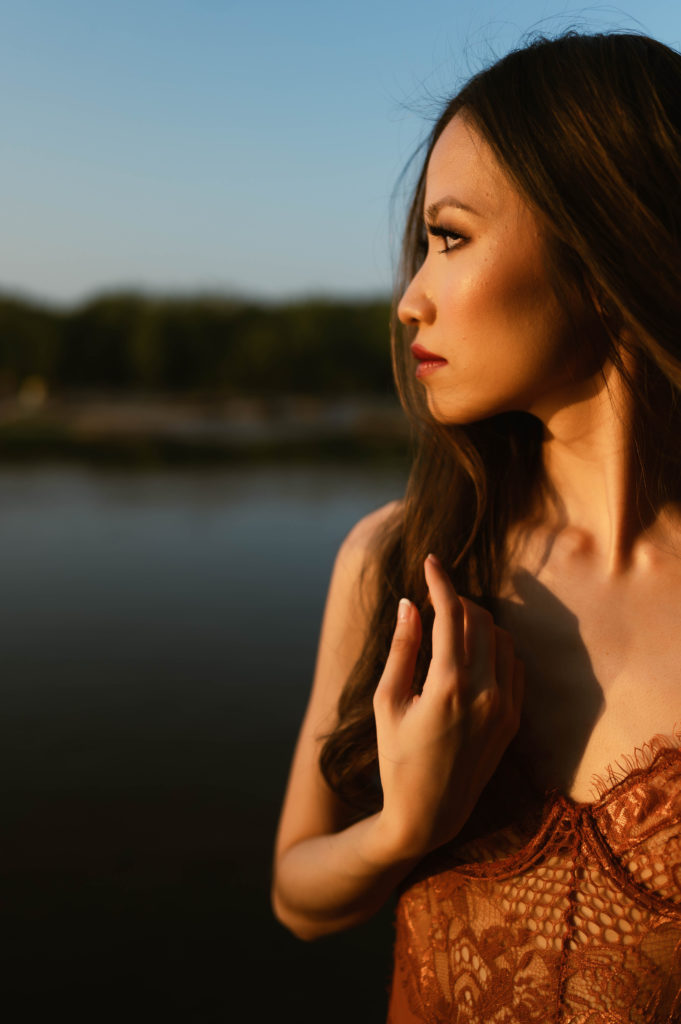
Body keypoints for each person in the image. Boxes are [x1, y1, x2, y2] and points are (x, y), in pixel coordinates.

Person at [272, 31, 681, 1021]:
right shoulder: (397, 561)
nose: (410, 299)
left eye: (449, 237)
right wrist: (405, 825)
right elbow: (299, 896)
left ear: (608, 236)